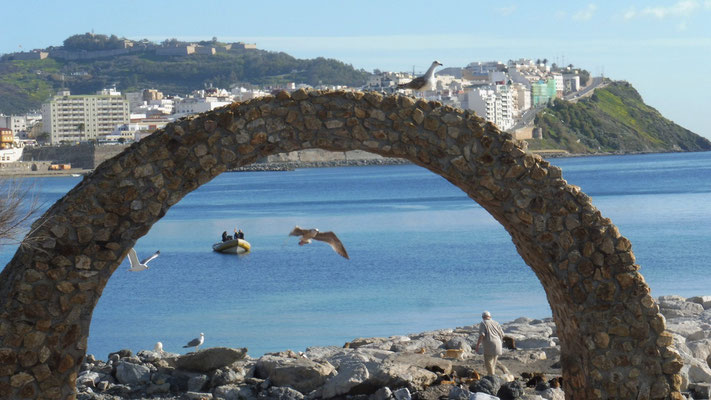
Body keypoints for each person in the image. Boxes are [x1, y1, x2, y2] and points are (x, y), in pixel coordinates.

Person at [475, 311, 505, 376]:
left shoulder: (483, 323)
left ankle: (491, 376)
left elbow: (482, 335)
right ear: (490, 317)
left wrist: (477, 345)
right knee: (494, 362)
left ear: (483, 317)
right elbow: (502, 334)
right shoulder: (496, 323)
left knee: (488, 362)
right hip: (498, 344)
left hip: (489, 344)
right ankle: (492, 375)